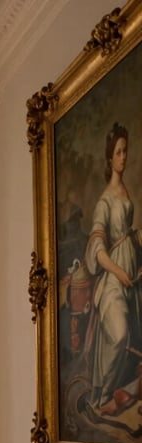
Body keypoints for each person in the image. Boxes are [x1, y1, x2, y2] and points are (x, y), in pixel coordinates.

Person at [85, 122, 142, 414]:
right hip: (114, 282)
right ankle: (102, 397)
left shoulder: (125, 191)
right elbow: (97, 249)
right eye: (118, 152)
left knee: (134, 338)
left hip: (133, 275)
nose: (123, 156)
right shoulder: (105, 201)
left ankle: (119, 395)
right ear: (110, 158)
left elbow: (128, 234)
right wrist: (120, 273)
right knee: (119, 335)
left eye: (125, 150)